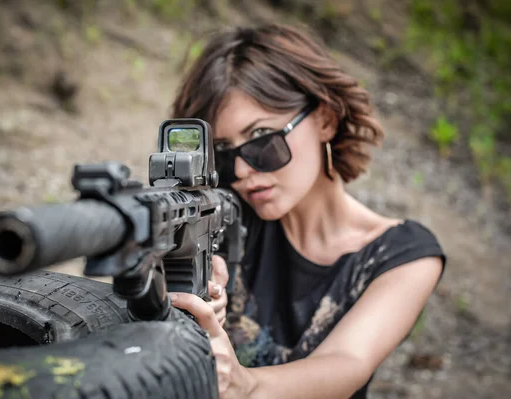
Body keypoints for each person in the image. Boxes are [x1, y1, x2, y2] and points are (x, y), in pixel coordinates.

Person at [167, 23, 446, 399]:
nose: (244, 170)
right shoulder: (222, 211)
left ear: (325, 119)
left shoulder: (402, 255)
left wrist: (245, 385)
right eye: (225, 151)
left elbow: (347, 362)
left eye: (261, 139)